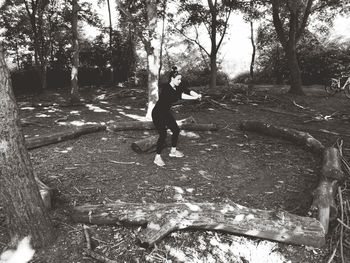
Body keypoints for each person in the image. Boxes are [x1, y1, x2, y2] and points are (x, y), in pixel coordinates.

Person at [152, 66, 202, 167]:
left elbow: (187, 90)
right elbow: (181, 96)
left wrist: (196, 94)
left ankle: (173, 151)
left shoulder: (178, 85)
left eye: (180, 79)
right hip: (157, 113)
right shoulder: (166, 88)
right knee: (163, 134)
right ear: (172, 79)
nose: (180, 81)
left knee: (176, 130)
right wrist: (195, 98)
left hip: (165, 112)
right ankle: (157, 157)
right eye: (178, 79)